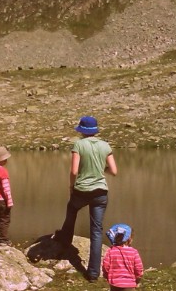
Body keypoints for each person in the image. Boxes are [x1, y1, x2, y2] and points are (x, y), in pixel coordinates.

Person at [53, 115, 118, 282]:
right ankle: (93, 273)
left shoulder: (79, 145)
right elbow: (114, 170)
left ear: (82, 131)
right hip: (101, 192)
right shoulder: (105, 145)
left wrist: (71, 187)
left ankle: (65, 239)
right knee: (96, 231)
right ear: (95, 131)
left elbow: (74, 171)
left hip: (82, 189)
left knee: (72, 209)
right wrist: (101, 170)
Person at [102, 223, 144, 291]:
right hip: (130, 285)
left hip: (114, 285)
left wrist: (107, 276)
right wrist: (137, 279)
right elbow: (139, 269)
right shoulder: (134, 252)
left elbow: (105, 266)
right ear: (129, 239)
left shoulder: (111, 251)